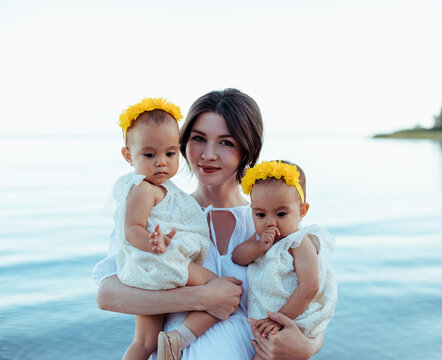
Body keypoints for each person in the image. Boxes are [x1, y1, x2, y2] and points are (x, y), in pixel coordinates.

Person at [93, 88, 325, 360]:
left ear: (248, 150)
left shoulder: (271, 221)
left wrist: (309, 347)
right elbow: (108, 295)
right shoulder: (155, 213)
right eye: (199, 139)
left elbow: (315, 302)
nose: (208, 154)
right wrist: (201, 298)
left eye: (226, 142)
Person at [112, 98, 221, 360]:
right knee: (220, 291)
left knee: (144, 341)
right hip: (160, 262)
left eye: (170, 154)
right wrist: (154, 242)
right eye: (150, 155)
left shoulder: (161, 189)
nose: (161, 162)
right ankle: (178, 340)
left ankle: (168, 343)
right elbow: (131, 229)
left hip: (151, 268)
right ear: (128, 156)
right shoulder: (142, 188)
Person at [232, 160, 337, 355]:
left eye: (281, 214)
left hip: (291, 319)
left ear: (302, 211)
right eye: (260, 214)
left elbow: (310, 287)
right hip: (267, 324)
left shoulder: (299, 243)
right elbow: (238, 257)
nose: (270, 222)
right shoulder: (260, 239)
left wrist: (277, 319)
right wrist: (258, 246)